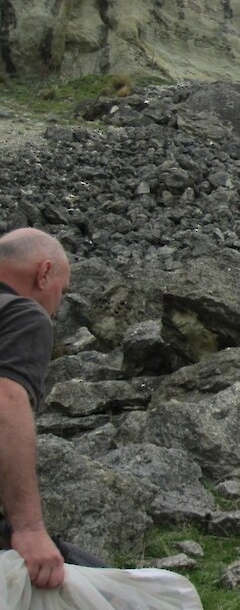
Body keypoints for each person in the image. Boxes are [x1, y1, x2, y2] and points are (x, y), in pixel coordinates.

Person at [0, 227, 71, 589]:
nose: (58, 304)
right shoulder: (21, 314)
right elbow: (6, 399)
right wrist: (28, 529)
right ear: (43, 273)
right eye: (62, 288)